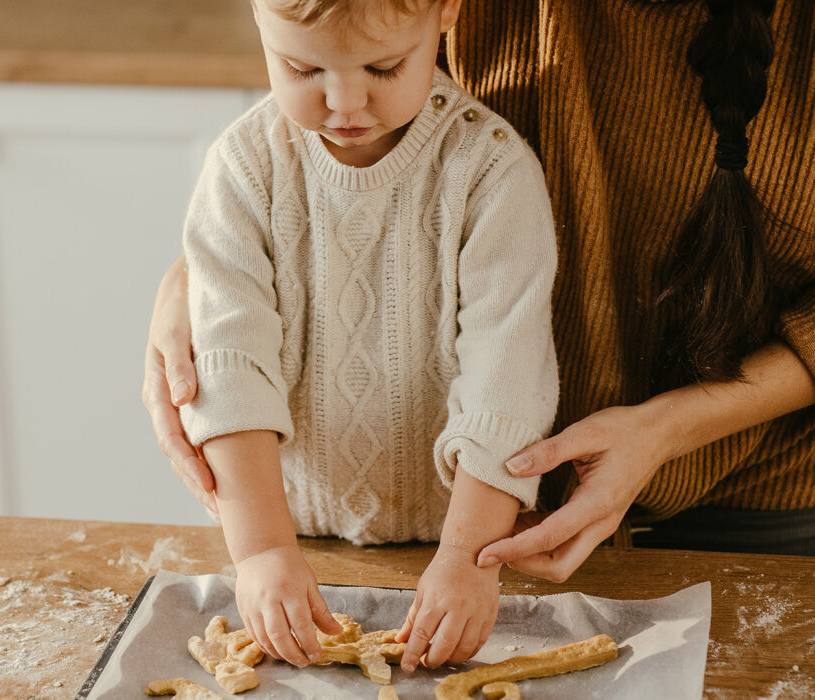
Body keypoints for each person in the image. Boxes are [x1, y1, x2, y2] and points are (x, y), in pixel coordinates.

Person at [146, 0, 815, 649]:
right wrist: (205, 275)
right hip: (442, 507)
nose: (345, 98)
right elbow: (327, 144)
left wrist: (669, 425)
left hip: (755, 495)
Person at [172, 0, 560, 674]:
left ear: (445, 13)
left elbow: (508, 378)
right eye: (303, 67)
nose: (344, 101)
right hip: (284, 540)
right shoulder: (243, 167)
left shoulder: (490, 171)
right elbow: (231, 372)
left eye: (384, 66)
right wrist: (261, 553)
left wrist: (467, 558)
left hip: (464, 545)